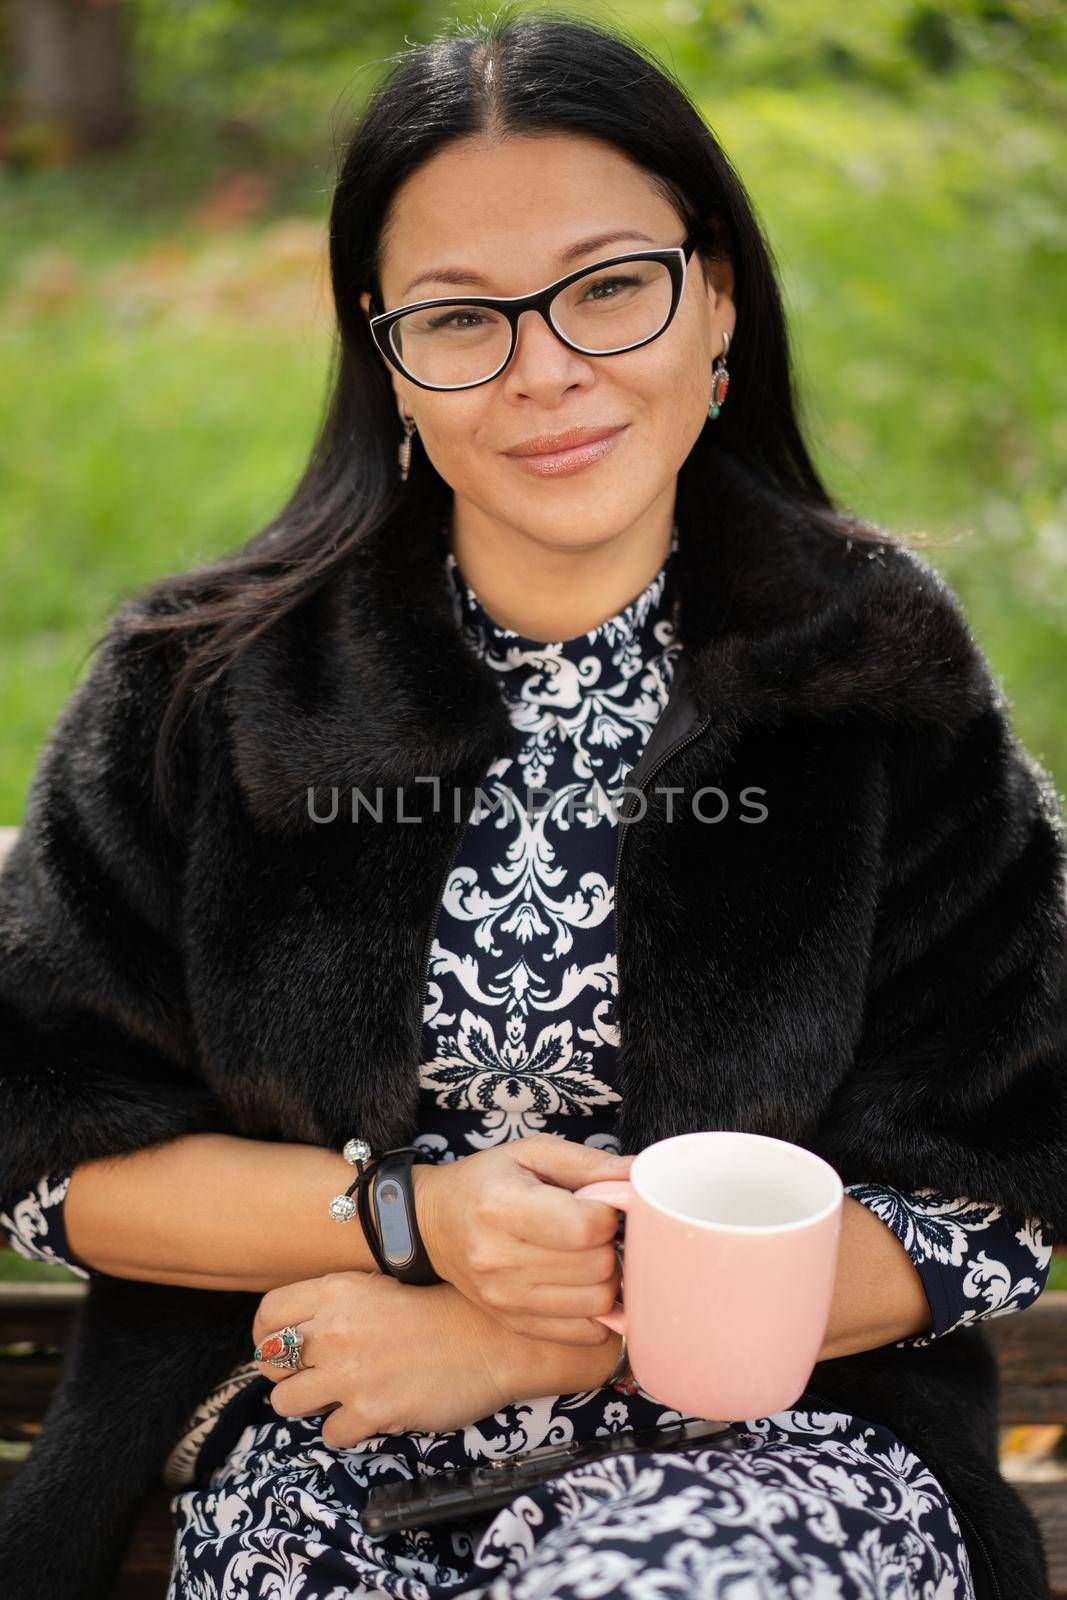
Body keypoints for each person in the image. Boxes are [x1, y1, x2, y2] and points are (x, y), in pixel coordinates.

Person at [1, 12, 1064, 1600]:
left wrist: (511, 1337)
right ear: (387, 360)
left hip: (793, 1447)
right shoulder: (207, 689)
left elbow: (995, 1188)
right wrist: (408, 1219)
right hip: (324, 1449)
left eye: (610, 285)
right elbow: (45, 1140)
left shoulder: (869, 666)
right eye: (460, 318)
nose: (546, 368)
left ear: (716, 299)